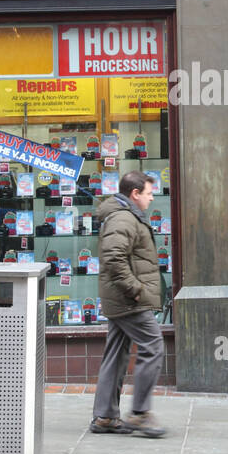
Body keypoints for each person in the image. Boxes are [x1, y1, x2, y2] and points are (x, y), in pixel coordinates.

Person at [90, 170, 166, 438]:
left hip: (121, 298)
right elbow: (113, 259)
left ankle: (105, 417)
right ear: (135, 194)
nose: (152, 198)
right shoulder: (123, 217)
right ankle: (140, 413)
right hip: (128, 300)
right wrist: (135, 290)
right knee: (153, 345)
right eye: (148, 193)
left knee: (116, 352)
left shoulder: (126, 215)